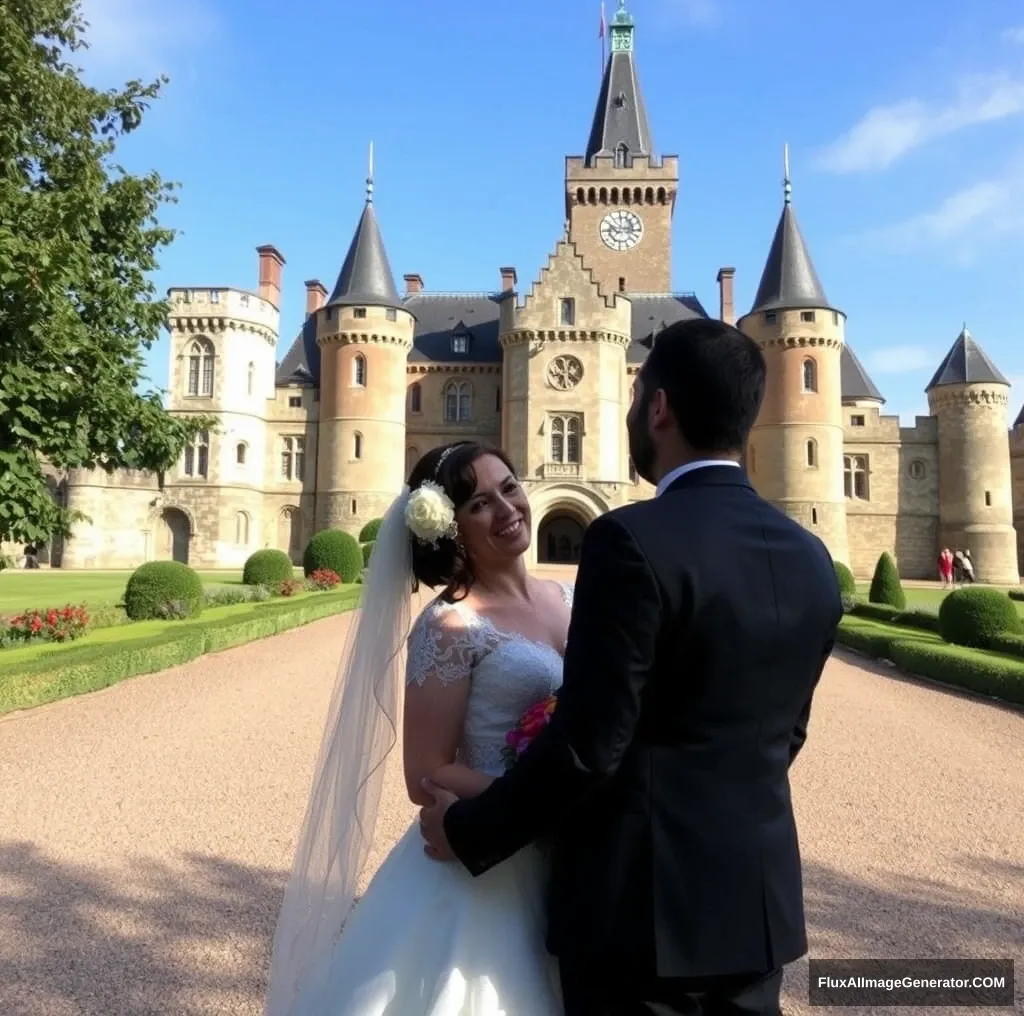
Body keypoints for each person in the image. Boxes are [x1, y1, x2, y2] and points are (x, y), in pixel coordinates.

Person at [420, 318, 845, 1016]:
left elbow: (591, 744)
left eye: (635, 393)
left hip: (638, 916)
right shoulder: (811, 559)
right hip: (756, 907)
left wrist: (475, 829)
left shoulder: (629, 540)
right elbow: (784, 736)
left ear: (658, 408)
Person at [264, 440, 569, 1015]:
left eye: (509, 488)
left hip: (572, 854)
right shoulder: (451, 625)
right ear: (450, 528)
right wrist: (551, 797)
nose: (506, 510)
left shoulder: (570, 597)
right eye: (478, 504)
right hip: (487, 855)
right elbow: (425, 772)